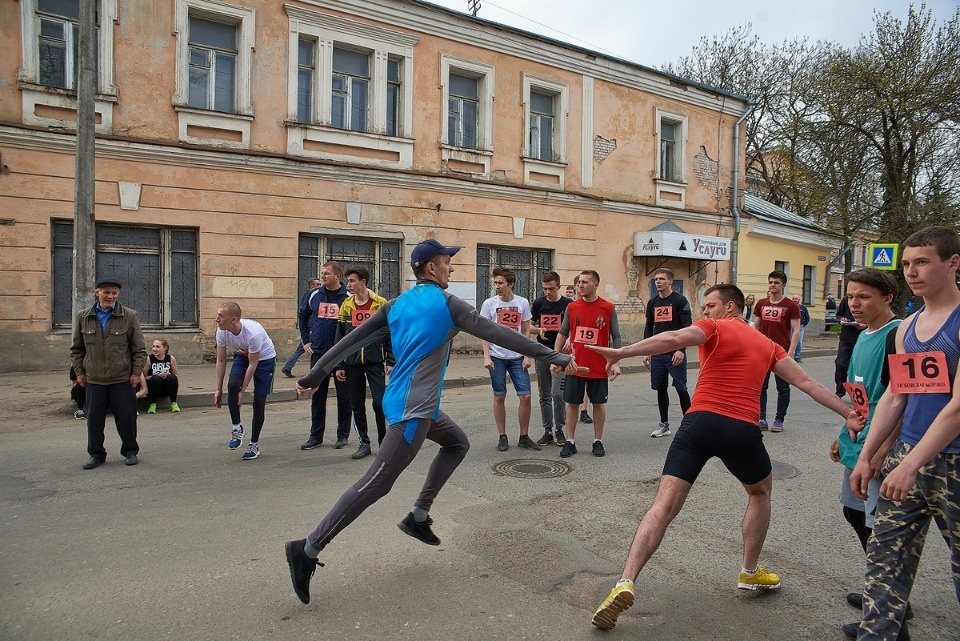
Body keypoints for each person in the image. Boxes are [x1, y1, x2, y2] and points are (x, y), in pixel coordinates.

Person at [285, 238, 578, 605]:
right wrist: (557, 356)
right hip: (413, 412)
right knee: (376, 483)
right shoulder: (447, 304)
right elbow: (502, 334)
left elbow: (346, 344)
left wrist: (312, 378)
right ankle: (308, 549)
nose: (451, 267)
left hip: (410, 402)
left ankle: (418, 516)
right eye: (446, 261)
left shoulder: (395, 303)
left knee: (457, 443)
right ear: (430, 268)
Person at [587, 283, 863, 630]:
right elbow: (807, 382)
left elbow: (674, 339)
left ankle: (625, 580)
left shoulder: (715, 327)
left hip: (698, 424)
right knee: (759, 492)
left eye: (711, 305)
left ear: (731, 308)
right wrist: (847, 413)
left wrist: (621, 352)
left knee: (663, 506)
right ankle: (749, 571)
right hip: (740, 429)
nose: (705, 312)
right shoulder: (769, 345)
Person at [849, 226, 960, 641]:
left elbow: (957, 407)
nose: (912, 272)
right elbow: (896, 396)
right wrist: (868, 455)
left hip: (952, 463)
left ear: (952, 263)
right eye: (907, 264)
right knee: (884, 559)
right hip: (906, 459)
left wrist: (911, 463)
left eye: (923, 262)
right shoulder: (905, 329)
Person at [825, 269, 908, 638]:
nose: (854, 304)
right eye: (851, 296)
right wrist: (843, 432)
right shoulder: (862, 335)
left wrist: (881, 452)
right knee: (853, 511)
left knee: (880, 527)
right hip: (858, 442)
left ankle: (889, 606)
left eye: (864, 297)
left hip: (880, 447)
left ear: (887, 298)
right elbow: (860, 394)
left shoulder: (898, 336)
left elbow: (905, 399)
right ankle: (884, 592)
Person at [70, 277, 147, 469]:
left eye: (114, 292)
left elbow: (139, 350)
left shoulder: (129, 316)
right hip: (94, 379)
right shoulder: (83, 316)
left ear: (118, 294)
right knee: (94, 420)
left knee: (126, 418)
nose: (110, 296)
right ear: (97, 293)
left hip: (122, 378)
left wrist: (136, 373)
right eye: (106, 292)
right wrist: (79, 372)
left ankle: (130, 451)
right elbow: (77, 349)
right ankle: (96, 454)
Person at [554, 269, 621, 457]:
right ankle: (570, 441)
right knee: (573, 403)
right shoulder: (572, 307)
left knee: (598, 404)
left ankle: (597, 441)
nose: (580, 285)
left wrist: (615, 362)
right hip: (575, 365)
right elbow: (563, 332)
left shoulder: (608, 308)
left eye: (585, 282)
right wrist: (555, 358)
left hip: (599, 366)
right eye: (579, 282)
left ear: (596, 285)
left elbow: (616, 336)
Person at [334, 266, 394, 459]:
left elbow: (389, 334)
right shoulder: (346, 305)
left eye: (352, 281)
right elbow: (340, 337)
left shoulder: (380, 303)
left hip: (374, 360)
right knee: (356, 404)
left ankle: (384, 442)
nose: (348, 284)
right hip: (352, 362)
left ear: (363, 282)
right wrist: (339, 365)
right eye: (348, 281)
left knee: (379, 402)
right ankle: (364, 443)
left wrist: (390, 360)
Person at [480, 266, 540, 451]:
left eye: (500, 283)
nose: (497, 286)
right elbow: (485, 332)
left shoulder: (522, 303)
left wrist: (527, 356)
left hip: (517, 357)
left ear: (511, 284)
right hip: (497, 357)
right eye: (496, 283)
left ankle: (524, 436)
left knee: (526, 396)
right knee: (499, 396)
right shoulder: (489, 304)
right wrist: (486, 356)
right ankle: (502, 436)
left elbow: (525, 331)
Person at [214, 302, 277, 461]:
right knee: (232, 385)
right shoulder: (222, 331)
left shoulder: (252, 333)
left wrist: (243, 392)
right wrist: (218, 389)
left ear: (233, 319)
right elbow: (221, 361)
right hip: (243, 355)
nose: (217, 319)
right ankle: (237, 428)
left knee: (258, 401)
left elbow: (253, 363)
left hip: (264, 359)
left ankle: (254, 444)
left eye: (221, 316)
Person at [299, 262, 350, 450]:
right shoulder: (314, 295)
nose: (323, 276)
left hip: (340, 355)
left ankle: (342, 435)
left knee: (344, 397)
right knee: (317, 395)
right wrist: (306, 341)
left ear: (337, 276)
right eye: (322, 273)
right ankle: (316, 436)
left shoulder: (347, 297)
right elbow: (302, 316)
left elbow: (352, 326)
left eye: (327, 273)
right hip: (318, 353)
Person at [644, 268, 692, 438]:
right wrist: (646, 351)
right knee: (660, 389)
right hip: (658, 352)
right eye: (656, 279)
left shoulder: (680, 301)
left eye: (662, 279)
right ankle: (664, 425)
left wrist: (681, 350)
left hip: (675, 353)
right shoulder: (652, 302)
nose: (658, 281)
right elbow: (649, 327)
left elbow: (688, 328)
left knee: (681, 388)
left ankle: (689, 425)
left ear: (670, 281)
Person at [751, 270, 801, 431]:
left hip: (782, 352)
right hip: (763, 351)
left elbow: (796, 330)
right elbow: (755, 327)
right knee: (761, 386)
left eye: (776, 282)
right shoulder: (761, 303)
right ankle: (761, 418)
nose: (773, 285)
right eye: (771, 282)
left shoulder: (791, 306)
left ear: (783, 285)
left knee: (783, 388)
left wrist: (791, 352)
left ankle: (779, 420)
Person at [530, 271, 572, 446]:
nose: (547, 292)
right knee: (544, 394)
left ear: (559, 287)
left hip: (561, 355)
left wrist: (569, 338)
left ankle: (559, 429)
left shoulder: (568, 304)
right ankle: (547, 430)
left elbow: (575, 327)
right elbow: (529, 326)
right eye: (545, 288)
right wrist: (538, 330)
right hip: (542, 352)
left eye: (551, 289)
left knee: (558, 393)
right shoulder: (539, 303)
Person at [282, 278, 321, 377]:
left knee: (302, 349)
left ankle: (287, 367)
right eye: (317, 284)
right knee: (308, 349)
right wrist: (311, 328)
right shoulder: (310, 297)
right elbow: (307, 315)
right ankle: (288, 367)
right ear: (311, 286)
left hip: (310, 328)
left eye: (320, 284)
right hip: (311, 328)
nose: (319, 286)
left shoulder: (314, 296)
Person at [835, 294, 866, 397]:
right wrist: (842, 319)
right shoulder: (846, 300)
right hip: (847, 337)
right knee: (841, 364)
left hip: (864, 337)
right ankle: (840, 390)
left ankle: (862, 393)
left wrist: (865, 325)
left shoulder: (869, 299)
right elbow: (839, 315)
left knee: (861, 367)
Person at [144, 338, 180, 414]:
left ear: (165, 348)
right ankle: (153, 403)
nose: (154, 349)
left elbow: (176, 375)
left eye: (157, 347)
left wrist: (168, 375)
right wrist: (158, 376)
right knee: (156, 379)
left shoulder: (171, 358)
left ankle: (173, 403)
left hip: (166, 387)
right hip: (153, 387)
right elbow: (144, 377)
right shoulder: (149, 359)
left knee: (172, 378)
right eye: (153, 346)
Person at [791, 295, 810, 362]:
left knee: (799, 342)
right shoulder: (790, 307)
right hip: (791, 326)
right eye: (793, 298)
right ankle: (790, 356)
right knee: (789, 341)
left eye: (796, 299)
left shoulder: (803, 308)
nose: (794, 300)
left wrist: (803, 324)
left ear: (799, 300)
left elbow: (807, 317)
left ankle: (797, 356)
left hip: (800, 327)